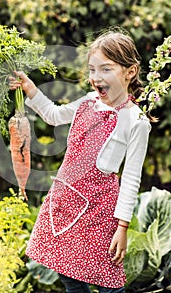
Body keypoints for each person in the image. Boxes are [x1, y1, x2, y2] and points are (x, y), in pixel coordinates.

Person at [9, 30, 152, 293]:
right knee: (68, 273)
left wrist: (122, 227)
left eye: (106, 69)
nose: (96, 77)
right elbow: (53, 115)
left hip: (100, 210)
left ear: (130, 72)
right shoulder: (87, 102)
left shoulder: (136, 121)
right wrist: (30, 89)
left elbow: (131, 178)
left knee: (107, 280)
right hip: (67, 200)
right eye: (92, 69)